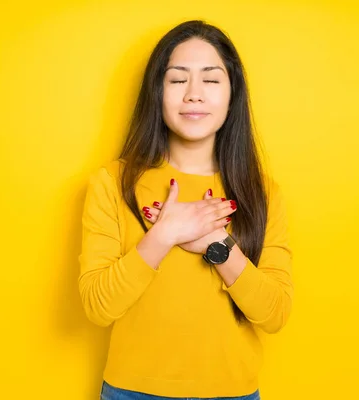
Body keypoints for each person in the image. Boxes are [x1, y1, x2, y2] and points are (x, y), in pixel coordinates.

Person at [78, 19, 293, 400]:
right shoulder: (113, 183)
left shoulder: (262, 193)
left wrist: (218, 244)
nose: (194, 94)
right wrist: (164, 235)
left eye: (211, 80)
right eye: (177, 80)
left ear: (232, 94)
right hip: (133, 392)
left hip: (233, 393)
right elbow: (98, 306)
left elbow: (274, 314)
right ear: (156, 92)